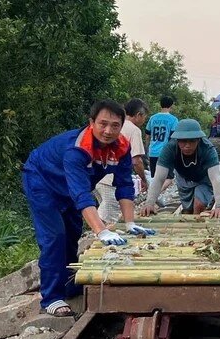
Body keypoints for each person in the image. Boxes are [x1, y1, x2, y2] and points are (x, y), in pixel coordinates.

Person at [22, 100, 156, 317]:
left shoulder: (121, 147)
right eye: (103, 124)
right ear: (91, 122)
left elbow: (124, 184)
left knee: (72, 233)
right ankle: (51, 297)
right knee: (55, 236)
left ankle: (67, 284)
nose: (108, 131)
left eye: (115, 125)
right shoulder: (77, 149)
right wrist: (101, 230)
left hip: (71, 189)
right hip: (42, 181)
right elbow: (81, 195)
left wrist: (130, 222)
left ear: (122, 126)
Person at [139, 119, 220, 217]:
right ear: (177, 140)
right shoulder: (170, 148)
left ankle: (195, 228)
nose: (187, 146)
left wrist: (219, 206)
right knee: (187, 210)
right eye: (183, 141)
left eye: (192, 141)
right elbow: (159, 178)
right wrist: (149, 203)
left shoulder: (207, 149)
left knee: (199, 205)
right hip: (183, 177)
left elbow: (216, 179)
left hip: (204, 178)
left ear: (198, 140)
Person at [145, 96, 178, 177]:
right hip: (166, 152)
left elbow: (147, 135)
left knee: (154, 177)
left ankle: (154, 190)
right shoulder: (173, 119)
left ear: (160, 105)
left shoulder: (152, 118)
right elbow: (174, 138)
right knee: (168, 177)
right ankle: (159, 190)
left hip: (153, 152)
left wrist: (147, 149)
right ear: (171, 105)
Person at [122, 99, 149, 195]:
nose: (144, 120)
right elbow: (136, 161)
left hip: (100, 176)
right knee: (110, 209)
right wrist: (143, 179)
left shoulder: (116, 124)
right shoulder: (134, 130)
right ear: (138, 115)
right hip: (112, 179)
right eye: (145, 117)